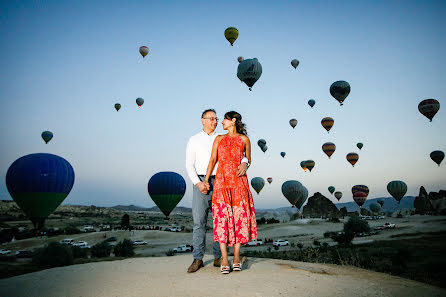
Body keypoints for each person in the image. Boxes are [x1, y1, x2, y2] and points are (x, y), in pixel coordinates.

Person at [185, 109, 249, 273]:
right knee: (199, 221)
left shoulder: (222, 137)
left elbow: (238, 151)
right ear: (203, 120)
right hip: (201, 180)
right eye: (211, 119)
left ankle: (217, 257)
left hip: (223, 180)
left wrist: (245, 162)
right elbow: (189, 164)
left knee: (220, 220)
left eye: (216, 118)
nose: (215, 121)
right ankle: (198, 258)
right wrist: (199, 183)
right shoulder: (194, 139)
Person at [204, 111, 257, 274]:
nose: (221, 123)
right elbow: (213, 160)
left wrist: (245, 165)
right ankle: (224, 259)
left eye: (224, 120)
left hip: (239, 183)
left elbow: (249, 158)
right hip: (221, 182)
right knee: (221, 219)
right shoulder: (219, 139)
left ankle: (236, 257)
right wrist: (206, 180)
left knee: (238, 218)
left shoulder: (244, 139)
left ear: (233, 121)